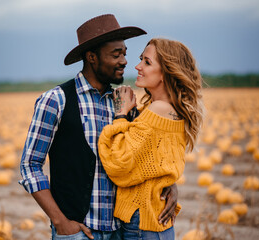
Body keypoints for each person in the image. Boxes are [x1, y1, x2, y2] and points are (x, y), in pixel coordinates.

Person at [19, 14, 179, 240]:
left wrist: (169, 184)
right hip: (77, 232)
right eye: (116, 54)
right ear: (92, 57)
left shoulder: (124, 103)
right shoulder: (56, 100)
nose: (124, 61)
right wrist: (60, 222)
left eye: (125, 53)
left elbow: (140, 162)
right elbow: (30, 165)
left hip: (120, 231)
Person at [98, 38, 204, 239]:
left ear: (166, 72)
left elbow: (118, 163)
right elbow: (156, 165)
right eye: (140, 59)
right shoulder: (169, 110)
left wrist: (120, 116)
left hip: (141, 221)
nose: (137, 66)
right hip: (153, 220)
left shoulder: (158, 110)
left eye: (147, 62)